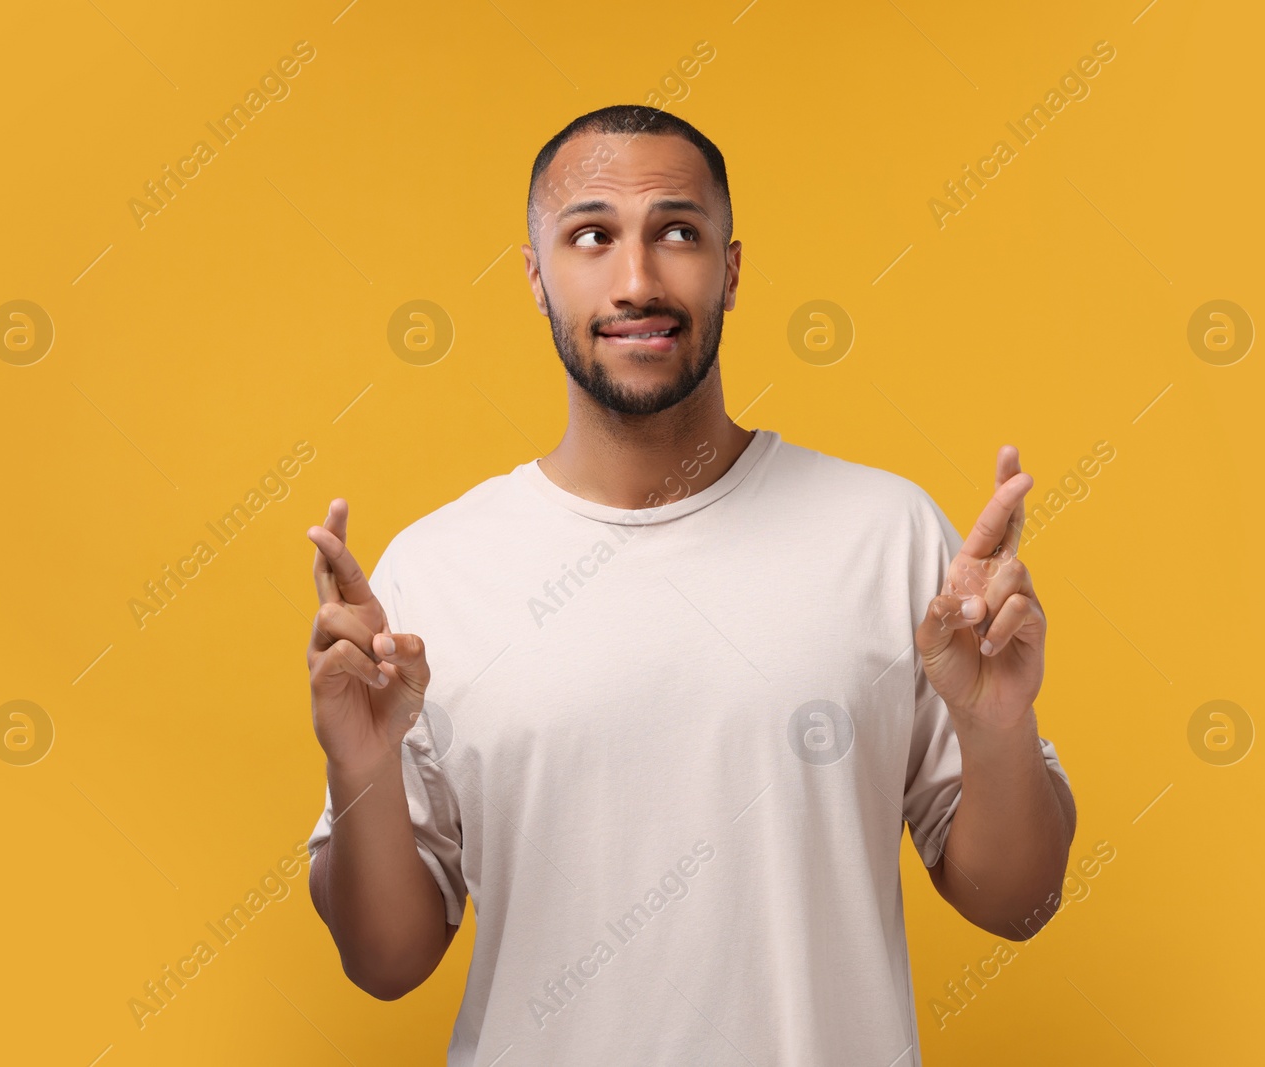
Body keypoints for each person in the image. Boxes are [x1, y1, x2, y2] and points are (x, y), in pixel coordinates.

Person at [303, 104, 1076, 1066]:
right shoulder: (435, 572)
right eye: (592, 236)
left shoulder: (887, 537)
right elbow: (385, 959)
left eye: (677, 232)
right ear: (537, 274)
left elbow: (1021, 905)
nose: (637, 280)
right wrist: (359, 768)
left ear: (731, 268)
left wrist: (999, 727)